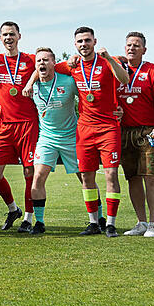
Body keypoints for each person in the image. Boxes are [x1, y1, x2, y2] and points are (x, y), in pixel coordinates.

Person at [53, 27, 130, 237]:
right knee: (87, 177)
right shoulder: (73, 65)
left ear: (95, 41)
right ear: (75, 44)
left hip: (108, 127)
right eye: (80, 41)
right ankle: (94, 222)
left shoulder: (107, 61)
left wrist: (111, 60)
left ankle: (111, 223)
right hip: (85, 129)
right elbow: (46, 67)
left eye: (87, 40)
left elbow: (124, 79)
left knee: (111, 174)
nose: (84, 44)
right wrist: (32, 82)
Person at [0, 22, 39, 232]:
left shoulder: (30, 60)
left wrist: (30, 82)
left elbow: (49, 65)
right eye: (5, 34)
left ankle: (27, 218)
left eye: (12, 34)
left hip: (28, 123)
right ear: (0, 38)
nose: (8, 37)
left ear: (19, 36)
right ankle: (13, 208)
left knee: (29, 171)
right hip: (5, 124)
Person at [117, 32, 154, 237]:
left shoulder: (151, 70)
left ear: (144, 50)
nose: (132, 48)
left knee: (151, 177)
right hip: (124, 131)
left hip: (148, 132)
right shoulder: (118, 69)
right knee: (132, 178)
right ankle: (140, 222)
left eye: (136, 45)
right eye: (129, 45)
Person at [24, 48, 79, 235]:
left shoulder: (69, 82)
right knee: (37, 177)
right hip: (47, 138)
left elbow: (90, 99)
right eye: (39, 60)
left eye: (46, 60)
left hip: (71, 136)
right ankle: (39, 222)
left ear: (54, 63)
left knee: (85, 178)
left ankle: (98, 218)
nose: (42, 63)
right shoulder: (33, 86)